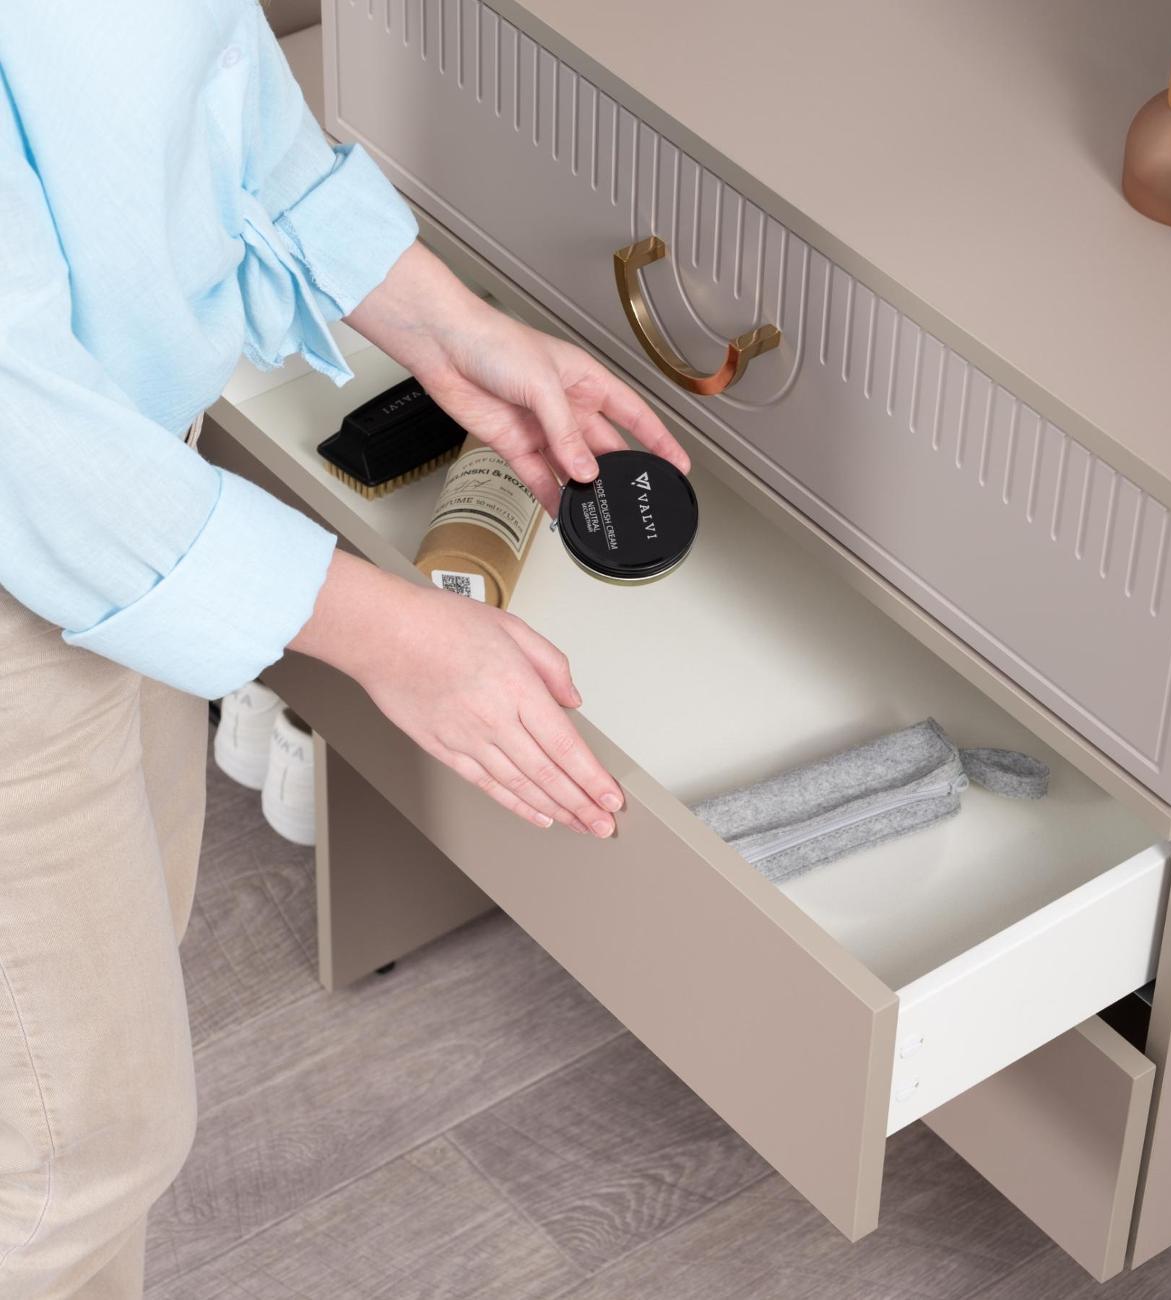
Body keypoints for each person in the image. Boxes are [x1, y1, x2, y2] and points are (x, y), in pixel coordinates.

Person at [0, 5, 690, 1297]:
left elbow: (178, 64)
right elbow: (18, 434)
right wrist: (391, 637)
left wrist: (442, 324)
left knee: (90, 1023)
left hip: (124, 483)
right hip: (35, 548)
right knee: (69, 1160)